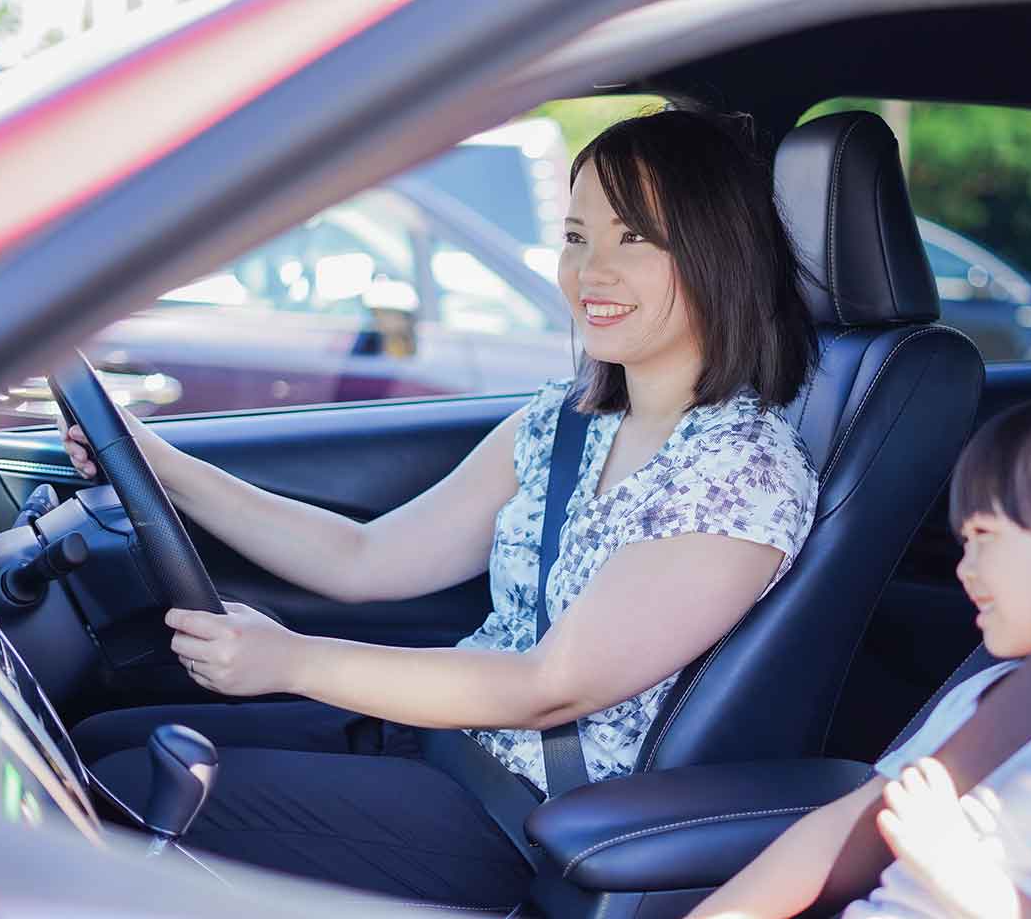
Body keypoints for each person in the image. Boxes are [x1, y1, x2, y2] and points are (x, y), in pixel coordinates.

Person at [64, 108, 820, 906]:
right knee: (95, 746)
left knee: (111, 793)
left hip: (532, 822)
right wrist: (158, 464)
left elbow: (549, 686)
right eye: (574, 237)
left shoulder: (743, 468)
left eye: (634, 238)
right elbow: (366, 559)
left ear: (717, 253)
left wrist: (288, 661)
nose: (590, 271)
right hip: (444, 745)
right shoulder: (564, 422)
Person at [692, 394, 1031, 919]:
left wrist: (964, 878)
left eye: (986, 535)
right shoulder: (990, 696)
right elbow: (836, 834)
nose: (964, 566)